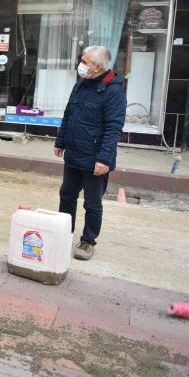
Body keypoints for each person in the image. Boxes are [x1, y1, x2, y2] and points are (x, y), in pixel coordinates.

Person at [54, 46, 126, 261]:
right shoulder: (82, 84)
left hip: (96, 158)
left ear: (100, 66)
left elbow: (114, 128)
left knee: (92, 203)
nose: (81, 65)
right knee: (67, 196)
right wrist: (61, 140)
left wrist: (104, 158)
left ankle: (87, 241)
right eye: (82, 60)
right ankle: (64, 233)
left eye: (86, 62)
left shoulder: (113, 92)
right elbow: (69, 114)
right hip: (74, 153)